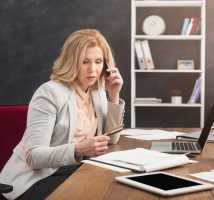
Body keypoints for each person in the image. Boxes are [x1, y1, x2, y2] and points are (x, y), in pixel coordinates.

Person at [0, 29, 125, 199]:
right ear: (72, 62)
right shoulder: (49, 93)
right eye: (85, 61)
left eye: (98, 61)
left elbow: (112, 139)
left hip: (71, 169)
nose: (93, 70)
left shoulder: (97, 92)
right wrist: (78, 149)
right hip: (36, 178)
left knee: (114, 184)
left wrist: (114, 95)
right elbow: (34, 156)